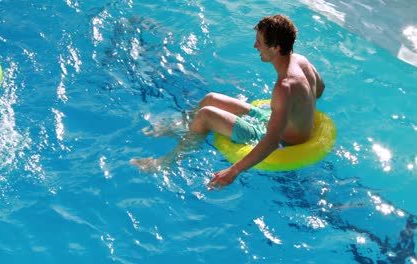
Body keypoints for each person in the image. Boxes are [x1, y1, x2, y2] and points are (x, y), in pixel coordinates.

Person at [131, 14, 325, 190]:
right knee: (211, 98)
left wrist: (233, 171)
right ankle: (177, 129)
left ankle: (166, 164)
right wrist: (297, 112)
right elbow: (320, 89)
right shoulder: (301, 61)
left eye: (259, 42)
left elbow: (271, 142)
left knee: (205, 116)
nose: (255, 46)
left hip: (283, 142)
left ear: (276, 48)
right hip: (270, 120)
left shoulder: (284, 88)